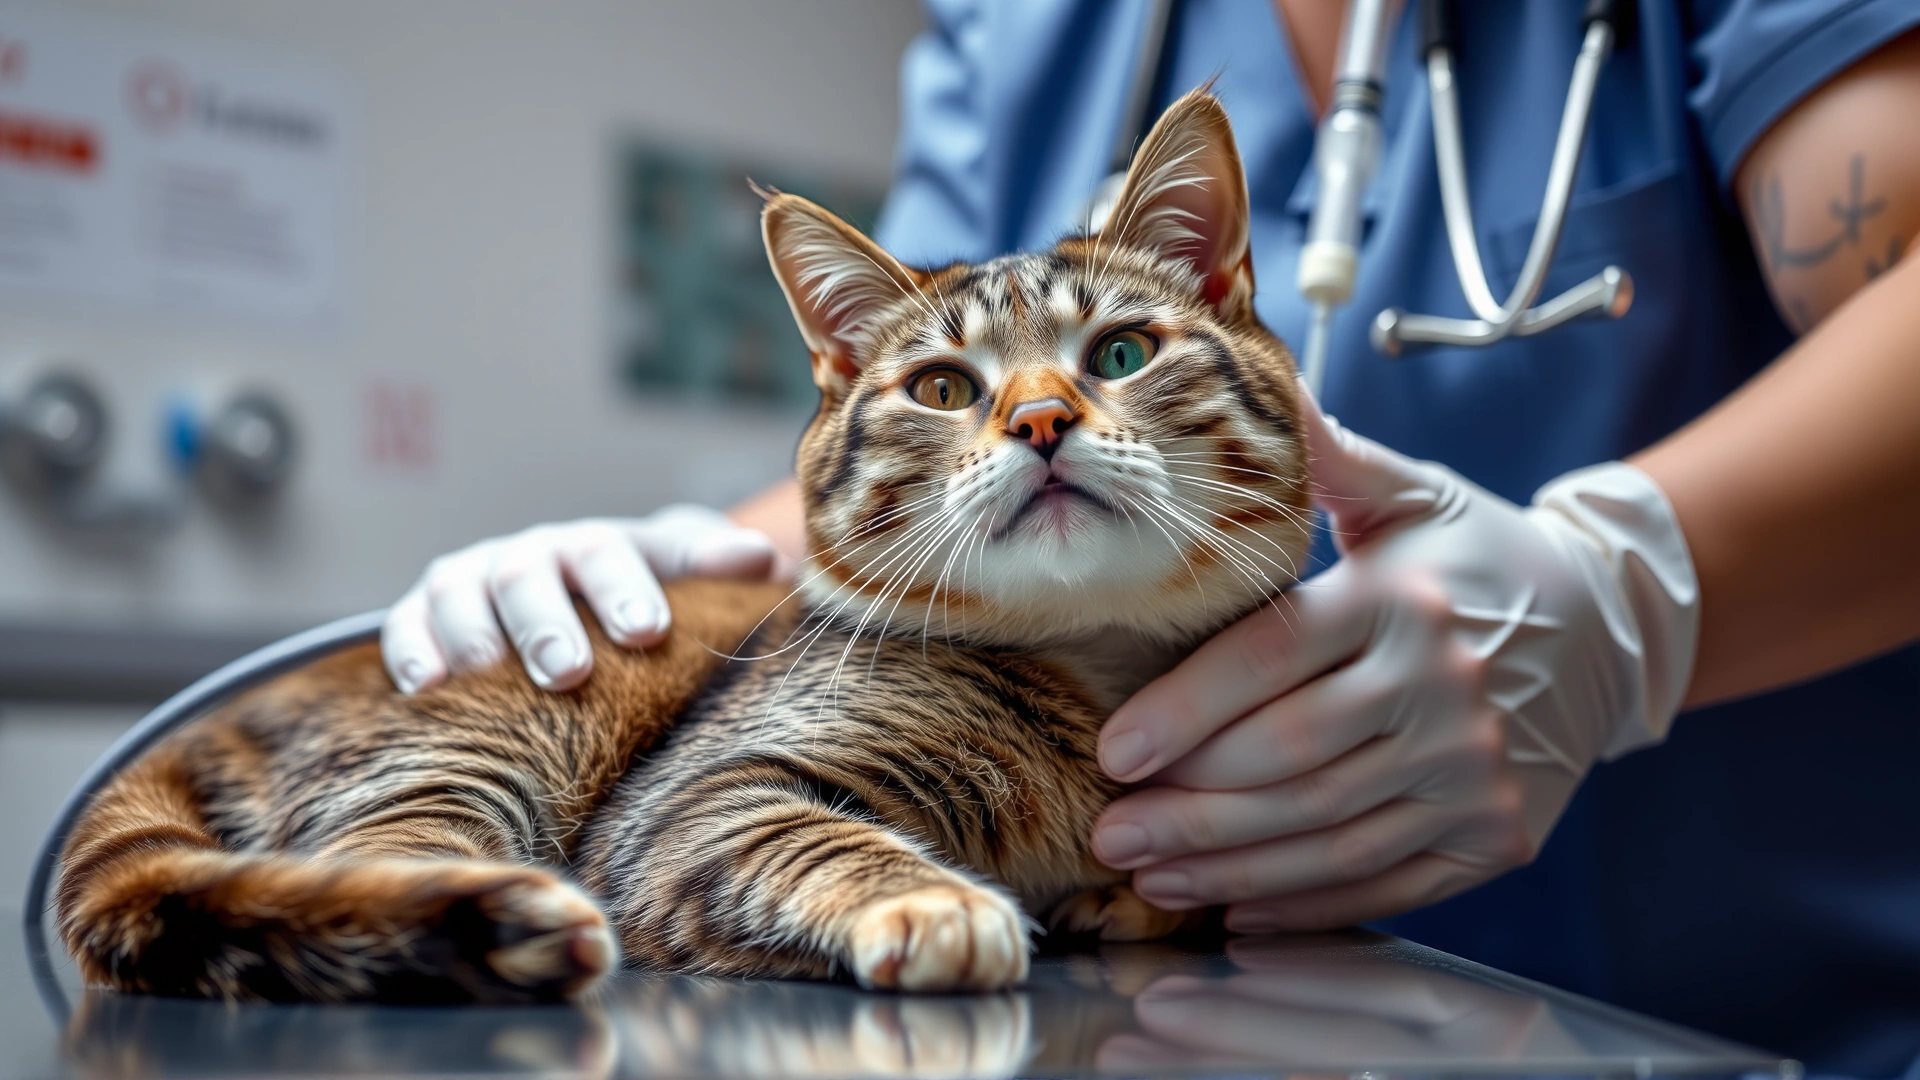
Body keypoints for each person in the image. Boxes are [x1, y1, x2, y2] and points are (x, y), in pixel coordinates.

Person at [379, 2, 1920, 1072]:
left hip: (1755, 1015)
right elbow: (935, 436)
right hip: (1185, 1015)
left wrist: (1627, 597)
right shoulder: (1034, 23)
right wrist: (675, 571)